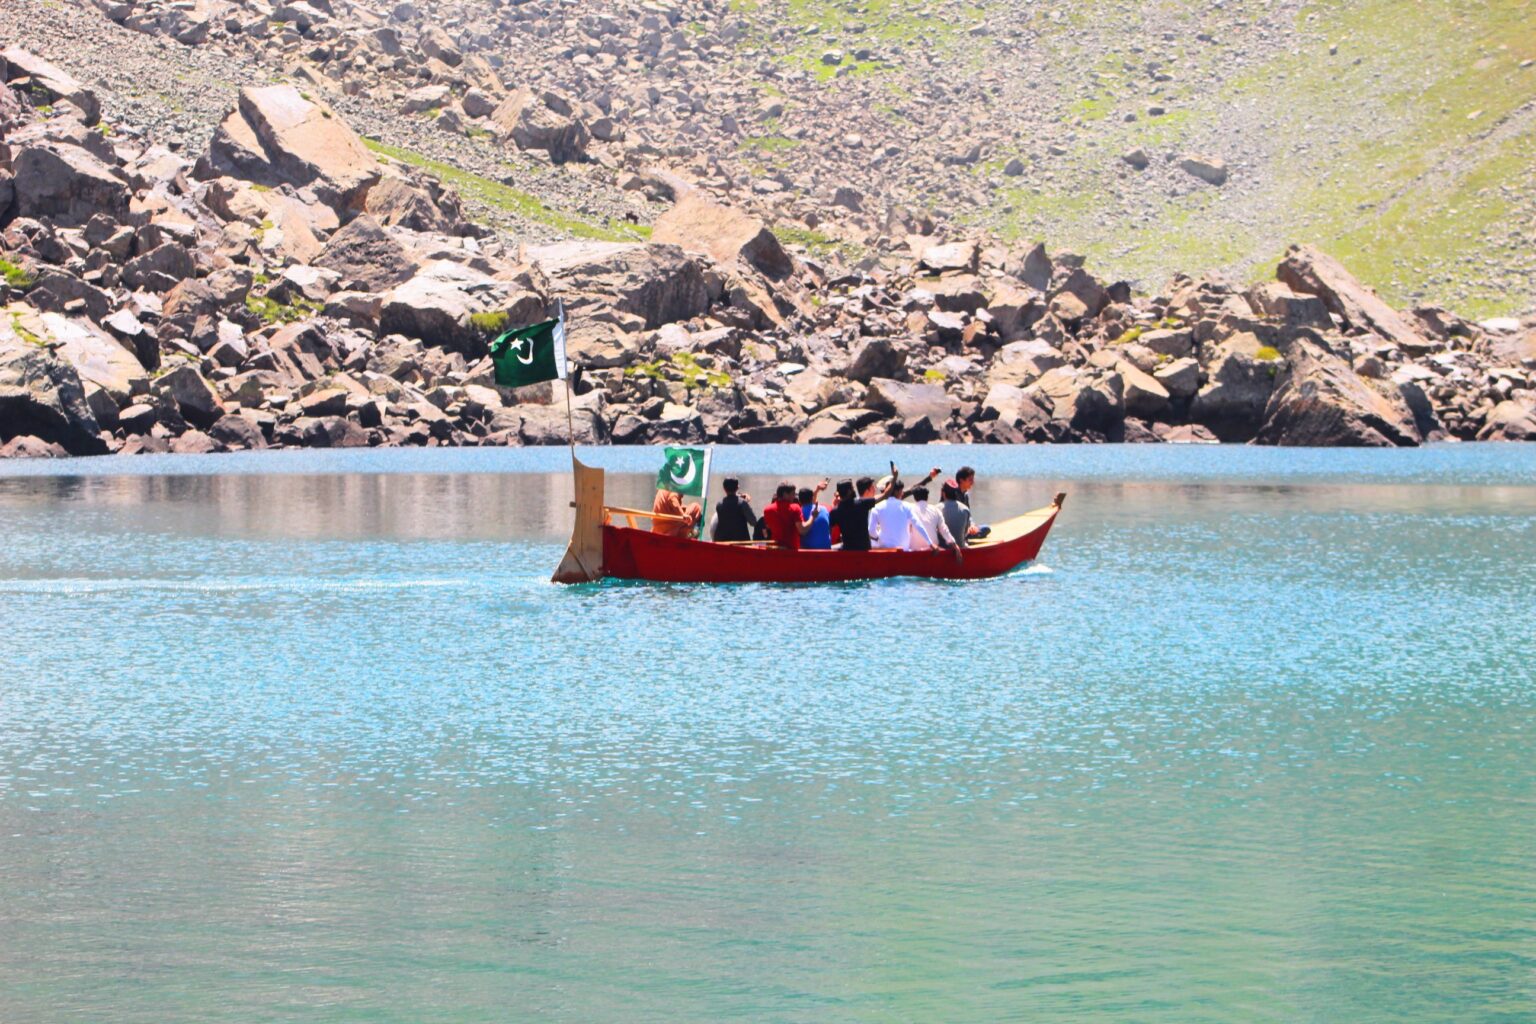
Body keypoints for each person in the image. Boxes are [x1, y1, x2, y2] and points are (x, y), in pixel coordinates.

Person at [828, 474, 895, 552]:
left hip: (847, 550)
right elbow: (885, 495)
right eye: (853, 488)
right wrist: (894, 477)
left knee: (833, 547)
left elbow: (828, 530)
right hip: (864, 549)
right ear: (849, 491)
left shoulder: (835, 511)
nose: (854, 490)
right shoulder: (861, 504)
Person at [868, 478, 933, 551]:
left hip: (885, 549)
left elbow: (871, 531)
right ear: (897, 492)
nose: (902, 493)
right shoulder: (907, 506)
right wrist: (930, 542)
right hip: (904, 549)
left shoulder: (877, 507)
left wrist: (878, 537)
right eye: (901, 491)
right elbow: (917, 524)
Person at [760, 482, 813, 550]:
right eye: (793, 494)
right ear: (785, 494)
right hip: (791, 550)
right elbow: (802, 530)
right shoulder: (795, 508)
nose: (794, 497)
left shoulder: (767, 510)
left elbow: (768, 526)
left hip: (776, 550)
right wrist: (813, 517)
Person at [905, 485, 955, 552]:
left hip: (914, 551)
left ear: (914, 497)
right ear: (927, 497)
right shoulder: (935, 510)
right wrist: (954, 544)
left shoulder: (909, 509)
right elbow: (944, 529)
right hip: (933, 550)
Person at [710, 477, 756, 542]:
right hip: (740, 543)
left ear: (724, 489)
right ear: (737, 488)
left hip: (722, 542)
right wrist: (746, 505)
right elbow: (753, 522)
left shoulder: (719, 505)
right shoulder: (742, 504)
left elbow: (731, 504)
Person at [954, 465, 991, 540]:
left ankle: (967, 534)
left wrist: (972, 525)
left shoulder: (965, 495)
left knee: (986, 528)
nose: (972, 482)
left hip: (965, 528)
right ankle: (964, 535)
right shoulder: (952, 494)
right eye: (970, 480)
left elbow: (968, 515)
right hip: (955, 529)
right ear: (961, 480)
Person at [798, 481, 832, 550]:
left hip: (808, 553)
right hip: (827, 550)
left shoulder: (799, 512)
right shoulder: (824, 509)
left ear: (799, 500)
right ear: (811, 498)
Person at [940, 480, 972, 548]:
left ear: (943, 493)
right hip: (960, 546)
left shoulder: (936, 508)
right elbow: (965, 533)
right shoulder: (965, 509)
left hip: (942, 548)